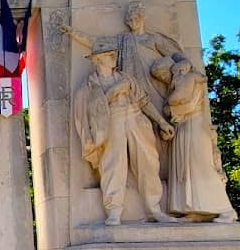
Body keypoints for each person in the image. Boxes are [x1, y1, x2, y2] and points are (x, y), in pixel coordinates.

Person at [74, 39, 175, 226]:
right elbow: (84, 116)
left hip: (136, 118)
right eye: (109, 55)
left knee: (148, 163)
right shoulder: (88, 87)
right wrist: (112, 92)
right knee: (113, 166)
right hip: (111, 123)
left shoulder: (126, 78)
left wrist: (161, 122)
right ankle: (114, 211)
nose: (114, 58)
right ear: (97, 60)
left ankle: (154, 209)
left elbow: (144, 101)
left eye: (114, 54)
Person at [150, 56, 237, 221]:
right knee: (186, 171)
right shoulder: (180, 84)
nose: (163, 80)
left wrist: (170, 109)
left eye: (163, 76)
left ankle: (226, 210)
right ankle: (193, 210)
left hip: (194, 127)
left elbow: (185, 105)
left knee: (201, 168)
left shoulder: (190, 81)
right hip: (184, 127)